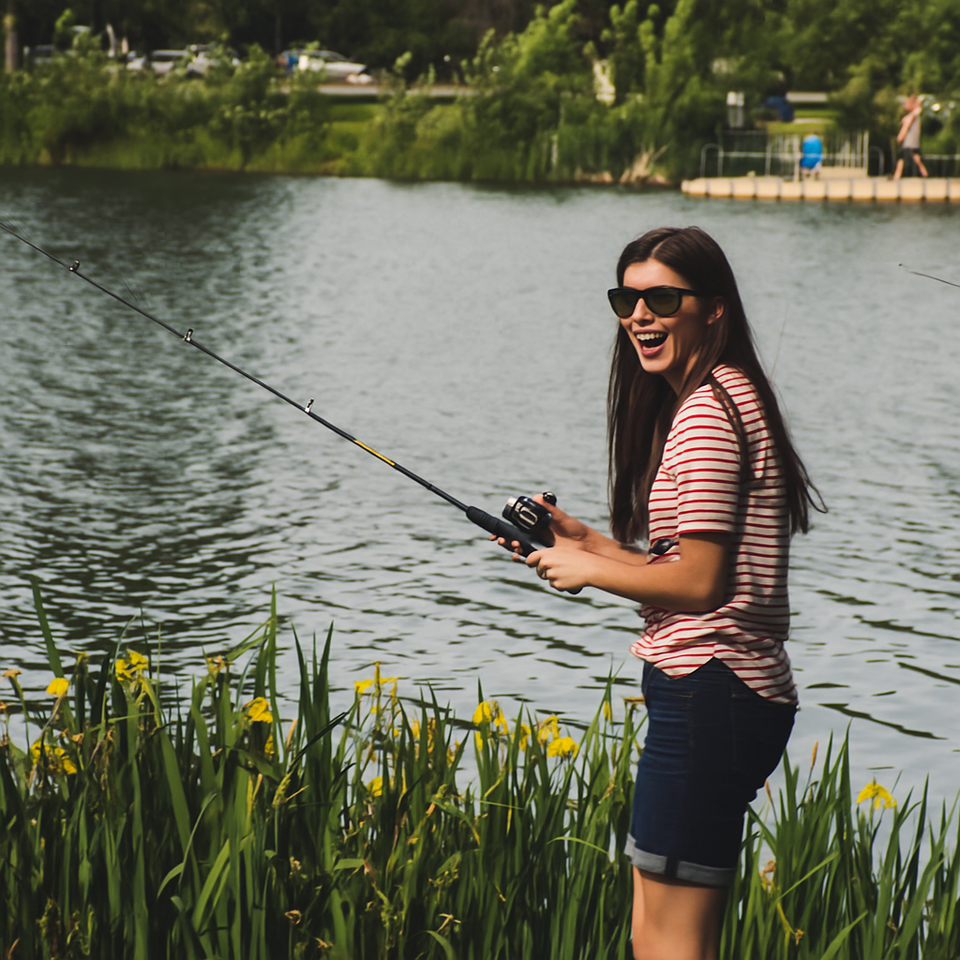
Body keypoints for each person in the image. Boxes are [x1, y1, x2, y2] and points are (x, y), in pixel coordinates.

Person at [500, 226, 821, 960]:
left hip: (712, 690)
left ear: (713, 308)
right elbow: (685, 565)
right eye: (626, 298)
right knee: (656, 936)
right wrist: (586, 544)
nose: (639, 315)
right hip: (719, 694)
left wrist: (585, 574)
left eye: (660, 298)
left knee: (669, 947)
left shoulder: (706, 415)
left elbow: (702, 585)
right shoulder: (728, 396)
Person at [894, 95, 929, 180]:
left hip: (909, 141)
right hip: (914, 140)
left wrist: (900, 137)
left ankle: (897, 175)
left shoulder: (911, 116)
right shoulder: (913, 115)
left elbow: (905, 127)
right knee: (913, 157)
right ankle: (897, 175)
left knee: (904, 156)